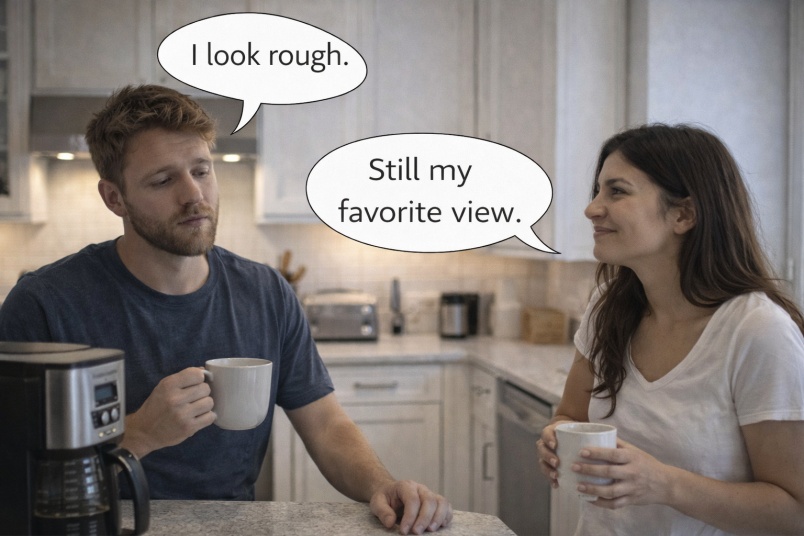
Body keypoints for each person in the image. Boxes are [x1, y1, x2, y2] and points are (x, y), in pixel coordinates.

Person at [0, 84, 451, 536]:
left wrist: (383, 485)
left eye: (202, 171)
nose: (194, 195)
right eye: (163, 180)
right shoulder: (44, 305)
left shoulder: (266, 292)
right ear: (114, 198)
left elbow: (326, 424)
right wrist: (138, 435)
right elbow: (13, 478)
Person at [537, 124, 804, 535]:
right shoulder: (607, 308)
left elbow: (794, 512)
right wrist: (557, 439)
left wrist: (664, 484)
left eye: (617, 191)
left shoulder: (758, 332)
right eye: (597, 191)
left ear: (684, 214)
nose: (592, 208)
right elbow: (570, 415)